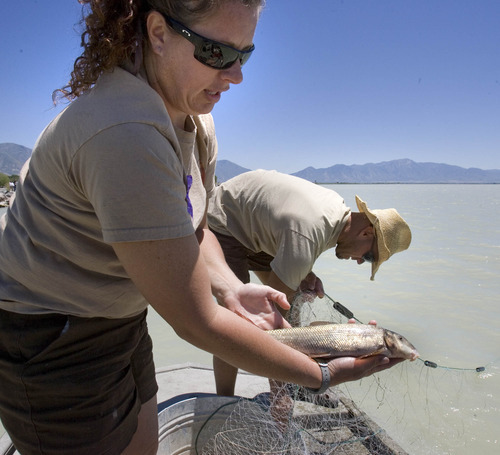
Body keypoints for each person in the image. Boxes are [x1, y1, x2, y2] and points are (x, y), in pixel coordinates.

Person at [0, 2, 403, 454]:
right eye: (216, 53)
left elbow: (194, 230)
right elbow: (196, 320)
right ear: (157, 32)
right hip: (49, 334)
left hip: (121, 315)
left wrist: (231, 287)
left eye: (244, 55)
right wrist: (323, 374)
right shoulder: (126, 131)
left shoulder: (195, 119)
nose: (236, 76)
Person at [208, 169, 412, 396]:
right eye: (368, 257)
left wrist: (301, 273)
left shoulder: (335, 210)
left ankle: (287, 385)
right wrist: (281, 396)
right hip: (225, 219)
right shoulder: (308, 235)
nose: (358, 262)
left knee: (290, 302)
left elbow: (292, 232)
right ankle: (224, 398)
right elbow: (275, 322)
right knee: (239, 322)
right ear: (365, 233)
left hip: (256, 221)